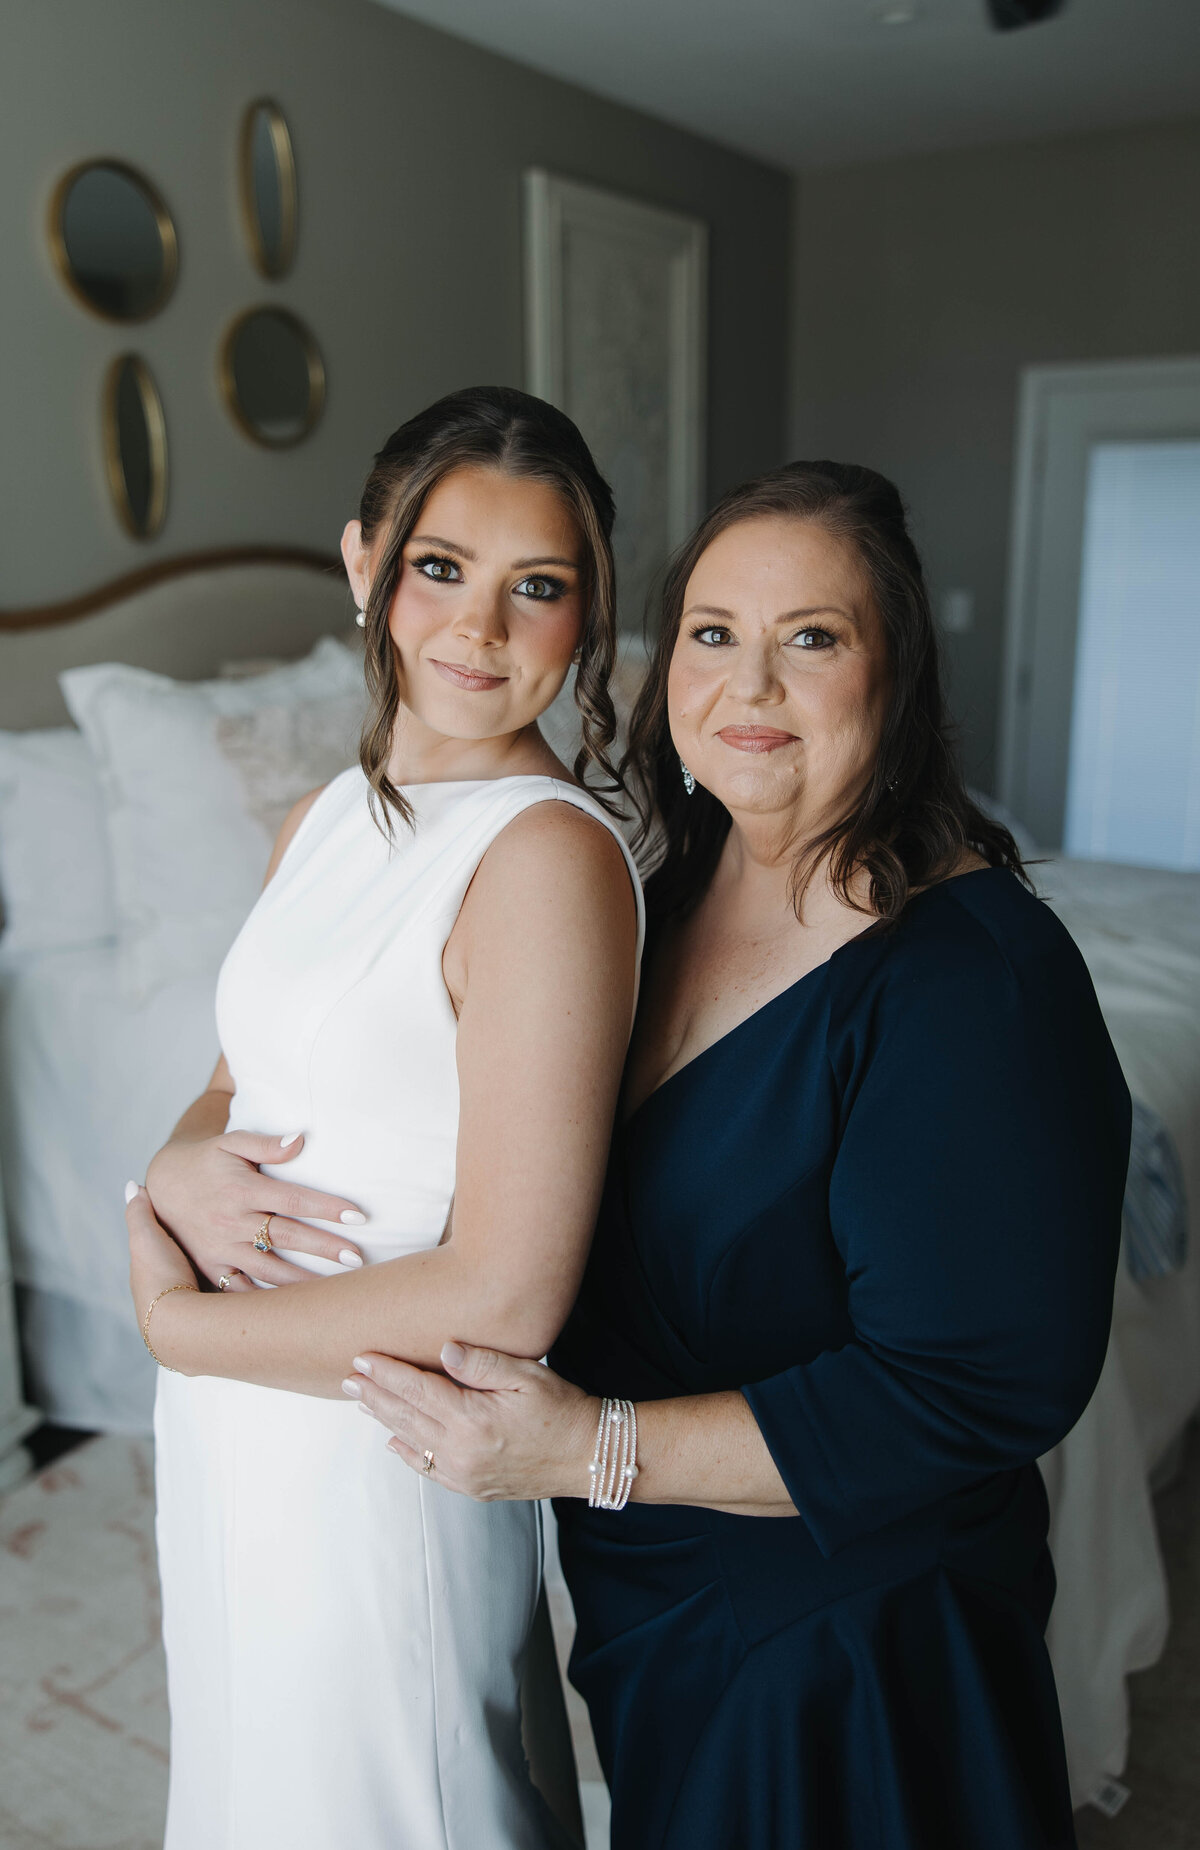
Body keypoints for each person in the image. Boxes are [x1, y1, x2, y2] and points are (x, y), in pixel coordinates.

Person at [346, 461, 1130, 1850]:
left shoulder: (972, 978)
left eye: (810, 639)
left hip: (855, 1646)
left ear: (895, 674)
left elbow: (968, 1385)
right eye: (712, 633)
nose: (748, 686)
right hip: (661, 1606)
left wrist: (589, 1445)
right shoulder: (647, 904)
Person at [126, 386, 643, 1850]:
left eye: (535, 588)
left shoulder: (543, 861)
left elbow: (510, 1287)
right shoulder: (327, 814)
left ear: (586, 615)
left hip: (375, 1454)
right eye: (440, 568)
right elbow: (248, 1074)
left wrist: (180, 1325)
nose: (478, 628)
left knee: (393, 1800)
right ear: (364, 564)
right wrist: (176, 1160)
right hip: (242, 1433)